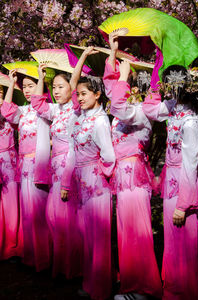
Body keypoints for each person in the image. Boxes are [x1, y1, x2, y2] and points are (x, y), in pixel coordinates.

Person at [103, 33, 162, 300]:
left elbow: (118, 104)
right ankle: (130, 284)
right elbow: (110, 91)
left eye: (130, 81)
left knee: (138, 232)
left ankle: (143, 287)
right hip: (121, 179)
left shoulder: (144, 112)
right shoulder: (122, 112)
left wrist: (124, 75)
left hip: (136, 179)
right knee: (125, 232)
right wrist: (113, 54)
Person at [31, 47, 97, 279]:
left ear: (73, 89)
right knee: (54, 217)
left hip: (70, 168)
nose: (56, 91)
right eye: (55, 87)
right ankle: (63, 266)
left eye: (61, 86)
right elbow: (37, 104)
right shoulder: (55, 109)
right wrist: (41, 78)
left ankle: (75, 268)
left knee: (70, 220)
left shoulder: (75, 109)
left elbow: (76, 78)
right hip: (56, 170)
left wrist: (82, 58)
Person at [142, 65, 198, 300]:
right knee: (172, 239)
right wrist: (156, 67)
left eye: (167, 85)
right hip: (171, 182)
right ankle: (173, 288)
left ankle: (184, 292)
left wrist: (183, 204)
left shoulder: (190, 121)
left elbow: (191, 162)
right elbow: (149, 109)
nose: (164, 90)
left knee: (184, 240)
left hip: (184, 187)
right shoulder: (173, 110)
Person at [62, 70, 115, 299]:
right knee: (86, 234)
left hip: (97, 184)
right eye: (79, 94)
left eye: (84, 94)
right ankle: (90, 281)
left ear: (97, 94)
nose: (80, 98)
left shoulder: (101, 121)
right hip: (81, 183)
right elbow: (73, 152)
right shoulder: (81, 119)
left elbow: (109, 156)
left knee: (98, 236)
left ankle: (101, 287)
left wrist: (98, 174)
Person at [1, 70, 52, 271]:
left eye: (32, 86)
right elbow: (6, 110)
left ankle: (45, 257)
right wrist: (12, 84)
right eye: (27, 87)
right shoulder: (22, 111)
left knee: (41, 212)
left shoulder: (46, 109)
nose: (29, 90)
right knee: (28, 212)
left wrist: (40, 78)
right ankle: (31, 256)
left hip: (40, 164)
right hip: (24, 166)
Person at [0, 84, 22, 260]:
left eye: (1, 91)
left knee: (11, 201)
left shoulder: (12, 111)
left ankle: (12, 243)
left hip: (10, 158)